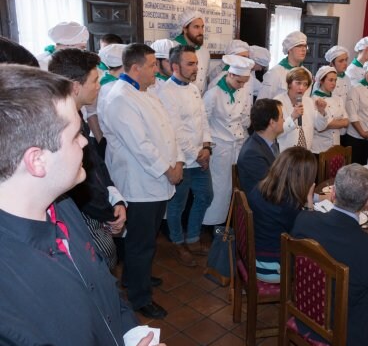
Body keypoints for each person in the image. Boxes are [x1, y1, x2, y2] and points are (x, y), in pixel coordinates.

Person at [0, 64, 167, 346]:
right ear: (37, 161)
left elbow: (103, 288)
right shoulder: (9, 287)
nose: (84, 144)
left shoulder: (62, 206)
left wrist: (133, 337)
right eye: (76, 135)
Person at [100, 43, 184, 319]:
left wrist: (178, 160)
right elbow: (141, 145)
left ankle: (138, 276)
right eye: (151, 65)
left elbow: (167, 129)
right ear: (135, 68)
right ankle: (139, 297)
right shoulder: (120, 98)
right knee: (140, 242)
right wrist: (168, 169)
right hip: (139, 183)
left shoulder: (145, 91)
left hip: (155, 179)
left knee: (146, 239)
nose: (156, 70)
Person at [291, 164, 368, 346]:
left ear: (333, 194)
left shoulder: (303, 220)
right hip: (347, 334)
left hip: (305, 314)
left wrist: (308, 205)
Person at [48, 48, 127, 270]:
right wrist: (107, 212)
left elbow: (95, 164)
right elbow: (79, 185)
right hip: (81, 215)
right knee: (101, 260)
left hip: (98, 207)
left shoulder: (77, 113)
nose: (98, 86)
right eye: (94, 81)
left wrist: (115, 197)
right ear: (75, 86)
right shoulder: (58, 124)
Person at [157, 45, 214, 267]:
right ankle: (178, 242)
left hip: (201, 156)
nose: (196, 68)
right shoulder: (166, 93)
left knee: (205, 196)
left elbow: (203, 120)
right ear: (174, 66)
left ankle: (193, 237)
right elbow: (175, 130)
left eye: (196, 64)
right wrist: (196, 153)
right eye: (190, 64)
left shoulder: (193, 89)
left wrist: (207, 146)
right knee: (177, 204)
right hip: (181, 158)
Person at [248, 147, 316, 283]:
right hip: (272, 268)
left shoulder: (260, 188)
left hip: (253, 257)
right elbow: (307, 234)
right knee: (323, 261)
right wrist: (309, 202)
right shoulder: (287, 205)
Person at [202, 55, 254, 232]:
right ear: (230, 75)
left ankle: (233, 221)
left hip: (239, 143)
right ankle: (213, 224)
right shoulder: (213, 94)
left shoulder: (243, 91)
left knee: (236, 185)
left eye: (245, 82)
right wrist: (207, 145)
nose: (242, 86)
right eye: (240, 82)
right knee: (220, 187)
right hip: (220, 147)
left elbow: (246, 117)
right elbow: (204, 122)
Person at [274, 67, 328, 151]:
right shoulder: (278, 102)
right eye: (298, 83)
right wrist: (292, 117)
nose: (302, 88)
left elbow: (320, 127)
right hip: (287, 154)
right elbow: (276, 133)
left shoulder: (309, 101)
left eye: (305, 84)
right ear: (289, 84)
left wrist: (321, 111)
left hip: (306, 152)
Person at [237, 98, 284, 194]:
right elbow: (271, 189)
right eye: (281, 117)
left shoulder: (269, 143)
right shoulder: (252, 154)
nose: (283, 120)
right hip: (267, 205)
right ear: (272, 123)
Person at [258, 31, 309, 100]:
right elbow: (262, 102)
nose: (303, 50)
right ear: (290, 49)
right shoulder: (275, 73)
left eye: (305, 46)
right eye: (299, 46)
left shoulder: (307, 74)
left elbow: (305, 100)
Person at [310, 65, 349, 154]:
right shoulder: (313, 99)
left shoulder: (338, 99)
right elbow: (319, 127)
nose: (334, 83)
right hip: (319, 148)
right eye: (330, 80)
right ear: (321, 81)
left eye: (335, 80)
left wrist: (328, 123)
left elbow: (346, 122)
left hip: (336, 145)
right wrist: (339, 123)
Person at [174, 8, 210, 94]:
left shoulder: (205, 52)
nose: (201, 32)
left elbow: (206, 78)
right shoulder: (173, 48)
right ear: (185, 29)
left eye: (202, 27)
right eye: (196, 27)